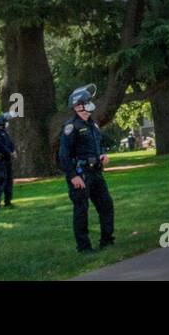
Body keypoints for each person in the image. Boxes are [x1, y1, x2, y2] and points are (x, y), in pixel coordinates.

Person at [58, 83, 114, 252]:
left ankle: (107, 241)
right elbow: (63, 155)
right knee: (81, 212)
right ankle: (84, 247)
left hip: (96, 173)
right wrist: (73, 175)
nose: (90, 103)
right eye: (86, 101)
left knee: (106, 206)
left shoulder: (93, 125)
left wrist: (103, 155)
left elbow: (98, 145)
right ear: (77, 105)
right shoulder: (71, 127)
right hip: (80, 175)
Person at [0, 112, 16, 209]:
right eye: (6, 121)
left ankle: (8, 201)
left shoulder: (5, 132)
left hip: (7, 160)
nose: (7, 123)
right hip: (0, 160)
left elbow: (10, 143)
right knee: (1, 180)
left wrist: (13, 150)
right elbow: (0, 145)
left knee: (9, 180)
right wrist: (10, 152)